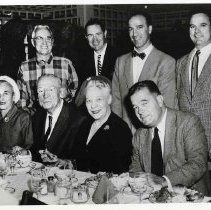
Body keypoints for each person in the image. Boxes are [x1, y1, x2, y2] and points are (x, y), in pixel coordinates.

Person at [128, 80, 209, 195]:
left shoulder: (188, 122)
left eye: (144, 103)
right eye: (135, 107)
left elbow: (198, 163)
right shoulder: (139, 135)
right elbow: (135, 171)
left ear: (160, 100)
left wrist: (164, 180)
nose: (139, 111)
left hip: (189, 197)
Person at [112, 12, 177, 132]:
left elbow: (166, 104)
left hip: (152, 132)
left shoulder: (166, 62)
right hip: (125, 132)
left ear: (150, 29)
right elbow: (116, 100)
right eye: (131, 29)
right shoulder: (120, 61)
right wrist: (118, 130)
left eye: (139, 27)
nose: (134, 34)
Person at [72, 76, 132, 174]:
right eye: (89, 100)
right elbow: (79, 160)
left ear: (109, 99)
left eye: (98, 99)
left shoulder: (120, 128)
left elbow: (122, 170)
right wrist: (67, 163)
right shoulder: (85, 124)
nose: (93, 106)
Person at [17, 25, 78, 114]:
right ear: (33, 42)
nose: (44, 42)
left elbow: (76, 91)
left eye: (48, 38)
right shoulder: (24, 67)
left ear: (52, 42)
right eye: (39, 38)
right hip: (34, 119)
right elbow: (21, 101)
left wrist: (66, 95)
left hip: (61, 119)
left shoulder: (65, 64)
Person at [176, 9, 211, 155]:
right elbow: (178, 102)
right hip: (188, 145)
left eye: (202, 25)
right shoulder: (181, 62)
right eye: (192, 26)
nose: (197, 31)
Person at [30, 74, 85, 163]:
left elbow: (82, 160)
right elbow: (35, 151)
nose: (45, 95)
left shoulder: (77, 119)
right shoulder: (37, 117)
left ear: (61, 92)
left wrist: (60, 162)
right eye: (40, 91)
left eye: (51, 90)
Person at [77, 18, 118, 85]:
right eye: (90, 35)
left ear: (105, 33)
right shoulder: (82, 59)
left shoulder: (118, 56)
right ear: (86, 37)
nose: (95, 40)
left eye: (98, 34)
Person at [0, 76, 33, 153]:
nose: (1, 98)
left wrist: (23, 151)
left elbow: (30, 147)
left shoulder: (23, 117)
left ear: (13, 96)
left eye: (6, 93)